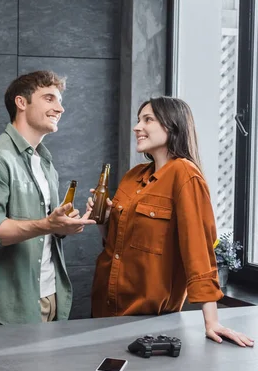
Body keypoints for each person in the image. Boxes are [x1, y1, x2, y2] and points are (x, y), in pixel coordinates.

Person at [88, 96, 253, 347]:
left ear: (172, 126)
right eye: (138, 120)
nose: (137, 127)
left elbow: (199, 250)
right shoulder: (133, 177)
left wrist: (212, 322)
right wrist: (104, 219)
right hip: (102, 312)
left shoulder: (184, 174)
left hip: (149, 323)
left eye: (148, 119)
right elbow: (113, 244)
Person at [0, 70, 95, 325]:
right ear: (21, 103)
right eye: (49, 99)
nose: (60, 108)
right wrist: (47, 225)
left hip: (51, 293)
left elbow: (46, 228)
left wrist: (61, 227)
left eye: (60, 101)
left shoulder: (44, 162)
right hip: (13, 302)